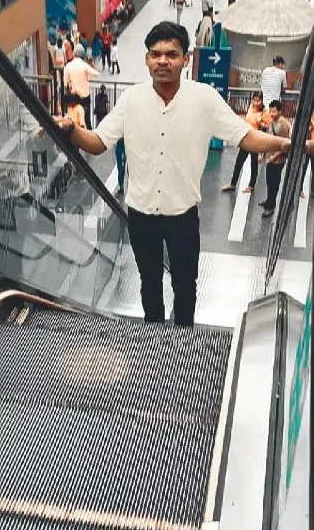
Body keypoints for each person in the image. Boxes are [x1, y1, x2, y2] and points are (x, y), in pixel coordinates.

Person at [55, 21, 299, 327]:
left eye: (171, 54)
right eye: (155, 54)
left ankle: (183, 340)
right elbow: (97, 142)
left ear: (186, 59)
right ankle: (154, 340)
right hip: (141, 215)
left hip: (182, 217)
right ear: (146, 59)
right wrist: (70, 128)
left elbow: (246, 136)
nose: (162, 61)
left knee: (185, 285)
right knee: (149, 284)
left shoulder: (204, 99)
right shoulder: (132, 100)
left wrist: (289, 143)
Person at [222, 92, 269, 194]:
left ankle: (251, 185)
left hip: (255, 141)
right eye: (254, 100)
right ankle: (233, 184)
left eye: (258, 101)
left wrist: (262, 151)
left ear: (261, 101)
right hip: (246, 138)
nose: (256, 103)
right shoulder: (251, 108)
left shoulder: (263, 113)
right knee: (239, 161)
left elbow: (264, 130)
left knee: (254, 163)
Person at [260, 99, 290, 218]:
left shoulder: (283, 124)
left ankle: (271, 207)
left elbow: (285, 145)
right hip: (270, 157)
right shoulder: (272, 122)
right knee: (269, 181)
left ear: (280, 111)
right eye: (271, 111)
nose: (272, 114)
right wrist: (264, 154)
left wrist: (274, 157)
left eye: (274, 111)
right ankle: (268, 201)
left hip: (278, 160)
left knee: (274, 183)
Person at [64, 44, 99, 130]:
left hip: (74, 98)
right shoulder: (84, 65)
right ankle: (89, 136)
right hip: (85, 97)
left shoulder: (69, 66)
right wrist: (91, 64)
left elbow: (65, 82)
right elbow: (96, 73)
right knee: (87, 120)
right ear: (82, 55)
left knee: (75, 119)